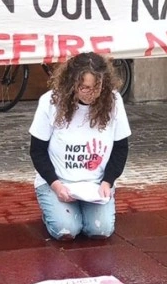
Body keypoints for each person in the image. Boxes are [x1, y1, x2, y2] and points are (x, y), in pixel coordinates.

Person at [29, 52, 131, 241]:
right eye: (84, 87)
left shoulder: (114, 101)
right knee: (67, 231)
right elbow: (37, 151)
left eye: (96, 87)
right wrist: (56, 184)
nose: (90, 93)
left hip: (96, 183)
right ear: (72, 83)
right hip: (58, 181)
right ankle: (53, 211)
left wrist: (108, 181)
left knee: (100, 230)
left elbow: (120, 148)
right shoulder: (50, 101)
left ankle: (85, 210)